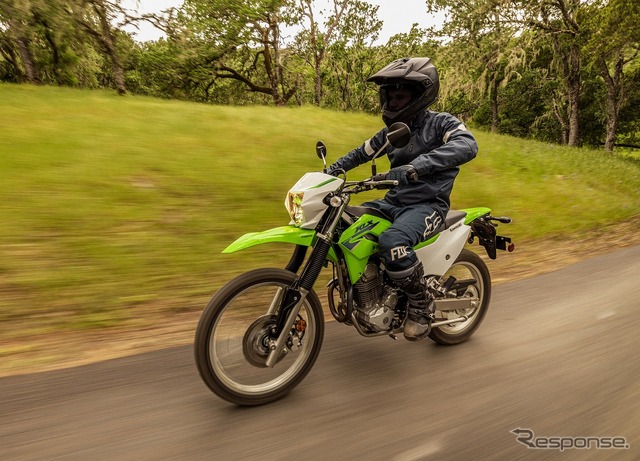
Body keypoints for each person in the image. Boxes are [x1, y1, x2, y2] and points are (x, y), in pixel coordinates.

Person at [327, 57, 478, 340]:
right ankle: (371, 291)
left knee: (392, 241)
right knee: (341, 223)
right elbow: (361, 153)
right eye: (389, 96)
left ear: (421, 95)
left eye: (401, 96)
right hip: (393, 203)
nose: (393, 102)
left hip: (427, 206)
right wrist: (330, 172)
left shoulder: (441, 123)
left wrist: (417, 166)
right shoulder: (392, 132)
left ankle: (421, 305)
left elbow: (467, 145)